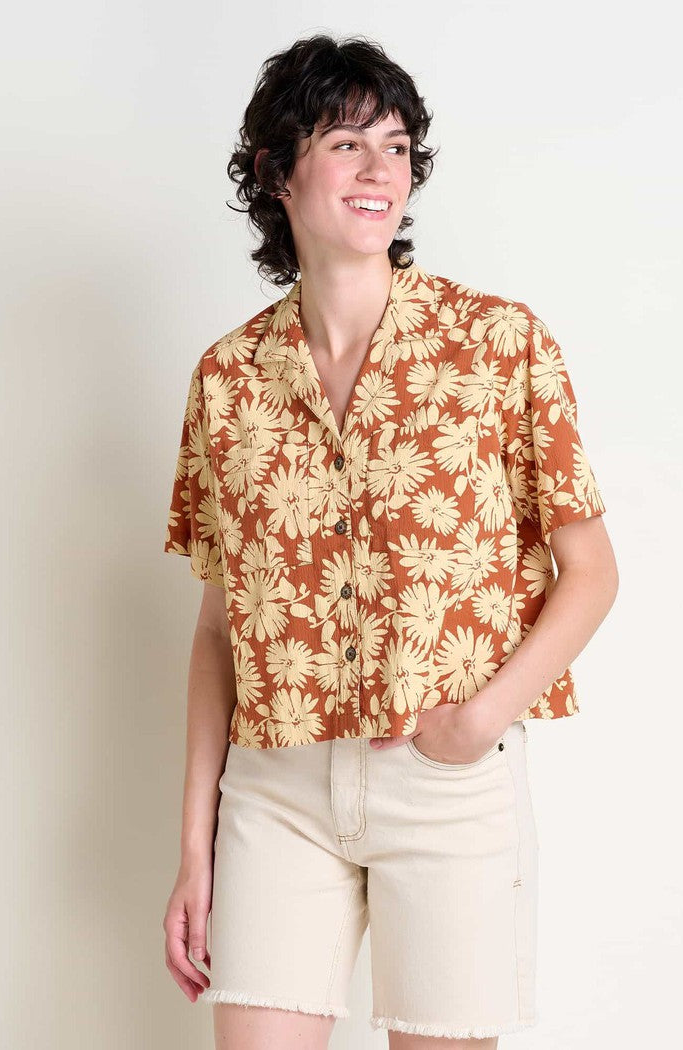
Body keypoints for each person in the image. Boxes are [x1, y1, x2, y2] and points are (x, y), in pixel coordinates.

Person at [161, 33, 618, 1050]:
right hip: (277, 792)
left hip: (445, 783)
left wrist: (479, 721)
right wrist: (195, 849)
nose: (380, 170)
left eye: (398, 147)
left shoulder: (498, 344)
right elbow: (219, 630)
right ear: (276, 172)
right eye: (346, 144)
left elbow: (590, 571)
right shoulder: (226, 380)